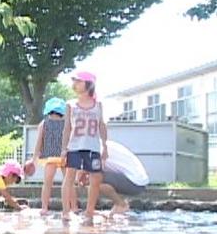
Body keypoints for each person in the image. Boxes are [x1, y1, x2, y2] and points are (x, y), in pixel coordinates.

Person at [60, 71, 108, 223]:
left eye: (78, 81)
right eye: (74, 81)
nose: (75, 84)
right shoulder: (70, 104)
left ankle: (89, 211)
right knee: (69, 177)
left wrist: (105, 146)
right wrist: (63, 149)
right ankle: (66, 211)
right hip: (74, 146)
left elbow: (102, 125)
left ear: (88, 84)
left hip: (93, 146)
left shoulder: (98, 105)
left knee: (95, 178)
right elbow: (67, 127)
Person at [31, 97, 78, 216]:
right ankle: (74, 207)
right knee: (69, 183)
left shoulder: (44, 123)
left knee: (47, 183)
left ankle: (44, 208)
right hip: (65, 156)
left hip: (49, 156)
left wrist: (35, 157)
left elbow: (39, 142)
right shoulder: (67, 123)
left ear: (49, 111)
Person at [76, 140, 149, 216]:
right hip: (137, 181)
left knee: (95, 179)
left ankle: (121, 204)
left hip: (135, 183)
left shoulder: (97, 150)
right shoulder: (101, 145)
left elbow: (95, 174)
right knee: (94, 180)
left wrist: (82, 173)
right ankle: (119, 204)